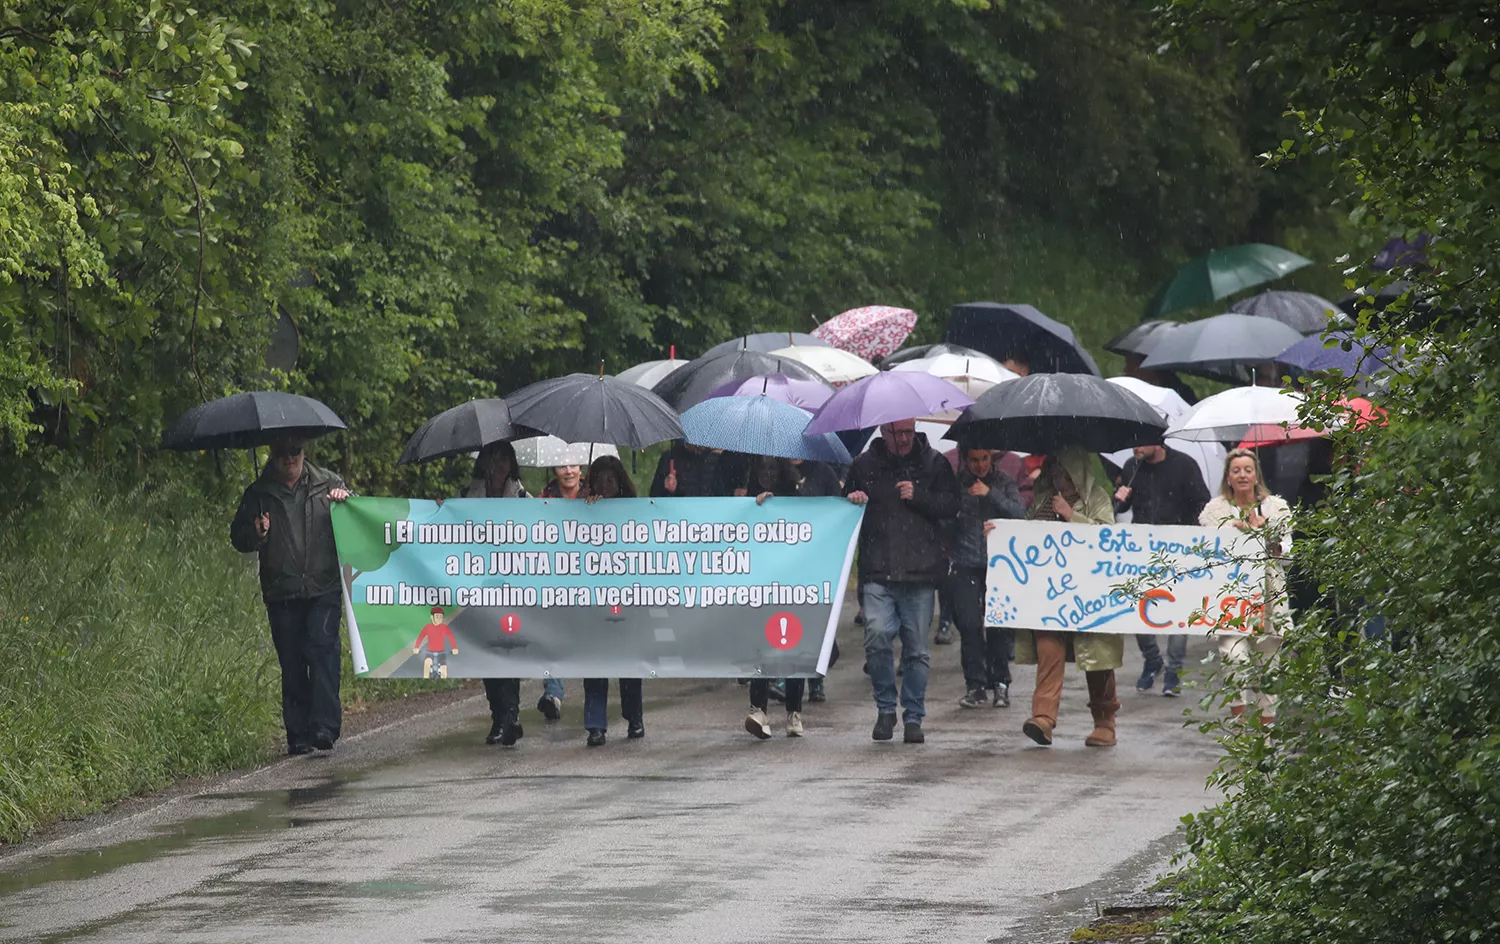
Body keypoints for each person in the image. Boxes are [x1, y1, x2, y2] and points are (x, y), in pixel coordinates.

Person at [230, 435, 351, 756]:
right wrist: (256, 531)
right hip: (281, 589)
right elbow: (238, 537)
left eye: (295, 451)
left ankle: (325, 727)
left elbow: (357, 518)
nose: (290, 459)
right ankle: (298, 733)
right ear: (272, 454)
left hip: (323, 585)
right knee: (293, 661)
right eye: (282, 453)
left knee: (323, 650)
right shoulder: (257, 494)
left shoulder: (329, 483)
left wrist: (345, 500)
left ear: (304, 451)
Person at [844, 418, 960, 744]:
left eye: (910, 431)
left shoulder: (934, 463)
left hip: (920, 571)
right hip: (877, 569)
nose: (906, 439)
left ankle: (913, 715)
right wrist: (852, 497)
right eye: (899, 433)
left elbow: (951, 505)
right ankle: (885, 709)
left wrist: (919, 495)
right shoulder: (864, 464)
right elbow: (843, 505)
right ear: (884, 432)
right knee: (877, 637)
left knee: (917, 651)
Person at [1015, 451, 1123, 748]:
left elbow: (1107, 538)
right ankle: (1043, 718)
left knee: (1097, 655)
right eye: (1055, 473)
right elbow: (1025, 534)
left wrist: (1071, 515)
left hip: (1091, 594)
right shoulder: (1042, 500)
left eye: (1064, 473)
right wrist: (1000, 533)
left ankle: (1105, 721)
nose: (1058, 479)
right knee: (1048, 649)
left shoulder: (1097, 498)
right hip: (1050, 594)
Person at [1199, 448, 1293, 725]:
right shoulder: (1214, 510)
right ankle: (1240, 731)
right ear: (1228, 476)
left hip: (1269, 595)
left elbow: (1287, 555)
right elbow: (1208, 550)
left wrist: (1267, 533)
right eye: (1236, 470)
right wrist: (1234, 532)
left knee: (1269, 667)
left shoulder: (1277, 508)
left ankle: (1267, 732)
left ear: (1256, 475)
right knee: (1234, 661)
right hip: (1231, 597)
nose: (1242, 475)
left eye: (1247, 470)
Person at [1113, 443, 1211, 696]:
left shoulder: (1185, 465)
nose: (1135, 448)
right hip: (1142, 549)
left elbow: (1203, 503)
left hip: (1179, 549)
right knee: (1138, 608)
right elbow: (1121, 509)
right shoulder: (1132, 466)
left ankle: (1174, 670)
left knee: (1179, 612)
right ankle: (1152, 660)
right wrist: (1120, 497)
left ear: (1156, 442)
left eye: (1140, 442)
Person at [739, 456, 824, 738]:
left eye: (771, 470)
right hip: (761, 580)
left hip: (792, 580)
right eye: (762, 469)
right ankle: (758, 709)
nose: (767, 474)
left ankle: (793, 711)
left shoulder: (797, 493)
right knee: (761, 645)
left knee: (792, 646)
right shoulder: (749, 492)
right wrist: (752, 505)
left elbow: (811, 521)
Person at [463, 441, 530, 746]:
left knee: (508, 648)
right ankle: (498, 713)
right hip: (480, 587)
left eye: (505, 458)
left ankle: (509, 716)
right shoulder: (467, 495)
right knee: (488, 651)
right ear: (484, 462)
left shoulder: (521, 496)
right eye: (494, 457)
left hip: (511, 586)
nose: (499, 464)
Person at [951, 445, 1025, 709]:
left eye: (984, 459)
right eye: (974, 460)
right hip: (965, 561)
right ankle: (975, 684)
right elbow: (943, 514)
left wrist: (990, 494)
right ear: (965, 459)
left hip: (998, 563)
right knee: (969, 625)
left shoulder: (1004, 481)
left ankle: (1000, 683)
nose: (980, 465)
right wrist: (955, 517)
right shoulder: (957, 483)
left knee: (998, 626)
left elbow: (1019, 512)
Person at [582, 455, 645, 747]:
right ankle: (596, 724)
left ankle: (634, 717)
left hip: (626, 596)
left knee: (629, 660)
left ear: (620, 483)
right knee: (594, 660)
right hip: (593, 597)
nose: (605, 487)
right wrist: (583, 511)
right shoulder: (584, 510)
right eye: (600, 480)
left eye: (610, 481)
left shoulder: (634, 512)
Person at [535, 462, 585, 718]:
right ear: (553, 470)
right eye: (562, 466)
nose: (568, 471)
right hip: (555, 580)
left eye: (573, 465)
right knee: (553, 638)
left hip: (589, 582)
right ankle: (553, 695)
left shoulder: (595, 497)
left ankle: (596, 704)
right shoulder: (542, 501)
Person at [649, 441, 740, 497]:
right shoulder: (671, 458)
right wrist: (668, 490)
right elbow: (654, 498)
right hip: (680, 521)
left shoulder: (721, 458)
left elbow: (727, 494)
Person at [413, 605, 458, 678]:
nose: (439, 619)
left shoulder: (444, 627)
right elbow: (420, 637)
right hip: (429, 652)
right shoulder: (428, 627)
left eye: (441, 617)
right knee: (427, 663)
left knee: (444, 669)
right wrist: (416, 647)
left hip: (441, 653)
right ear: (432, 617)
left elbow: (451, 637)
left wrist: (455, 648)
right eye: (437, 616)